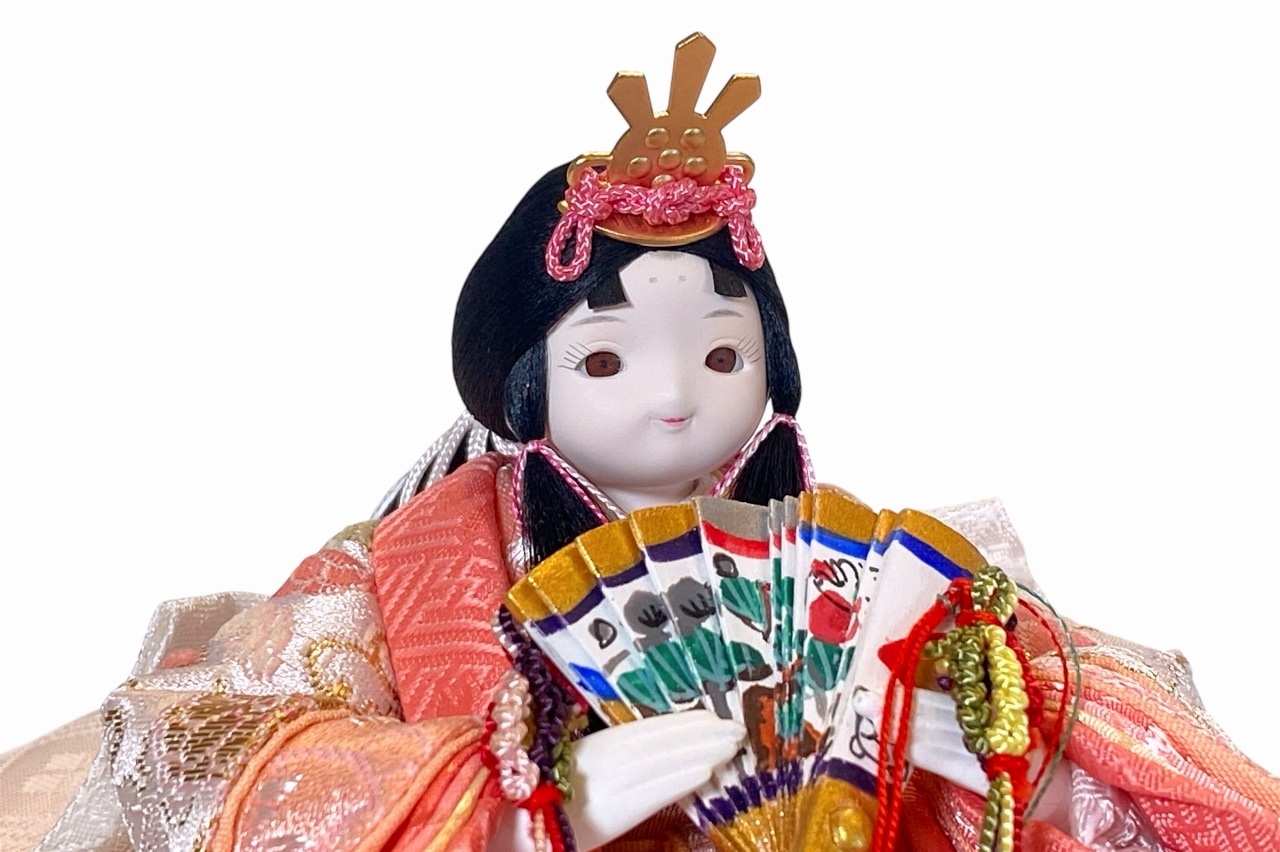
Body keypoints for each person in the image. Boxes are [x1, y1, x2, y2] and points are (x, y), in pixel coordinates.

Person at [5, 32, 1280, 852]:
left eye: (722, 356)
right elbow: (216, 762)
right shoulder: (391, 570)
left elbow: (1109, 733)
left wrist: (992, 753)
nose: (674, 399)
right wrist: (528, 796)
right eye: (605, 360)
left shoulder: (863, 564)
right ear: (522, 383)